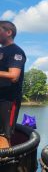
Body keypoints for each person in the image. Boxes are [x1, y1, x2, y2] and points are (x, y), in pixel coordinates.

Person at [0, 21, 26, 149]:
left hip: (8, 101)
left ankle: (6, 166)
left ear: (8, 32)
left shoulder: (16, 51)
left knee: (4, 135)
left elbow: (14, 76)